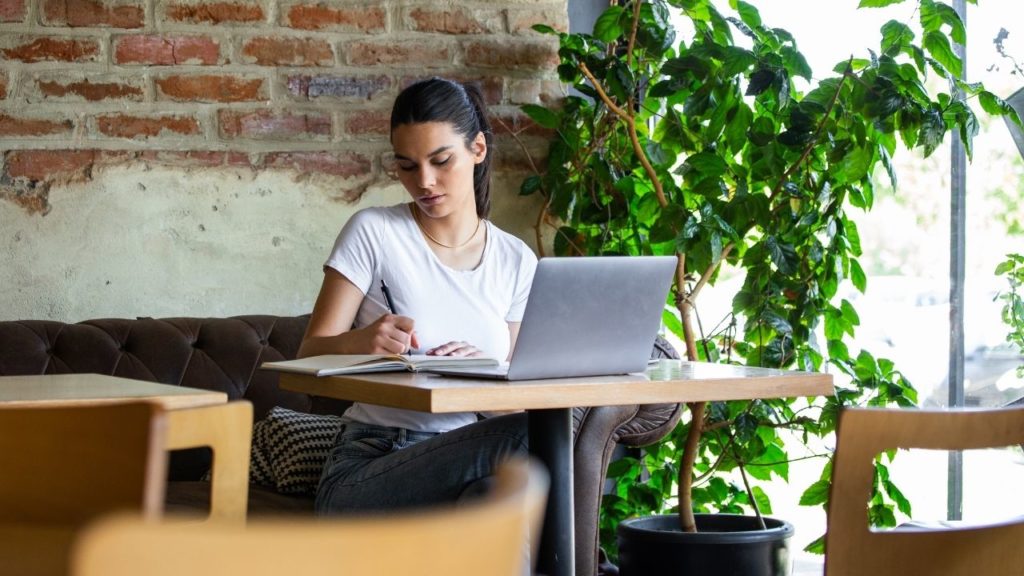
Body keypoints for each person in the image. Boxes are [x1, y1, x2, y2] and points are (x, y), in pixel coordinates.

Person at [300, 77, 538, 514]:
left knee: (499, 486)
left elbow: (514, 401)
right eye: (407, 166)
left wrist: (478, 378)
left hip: (468, 456)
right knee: (530, 441)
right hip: (372, 461)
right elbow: (308, 355)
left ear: (478, 150)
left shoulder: (516, 258)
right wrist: (359, 342)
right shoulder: (373, 231)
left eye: (441, 160)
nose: (424, 181)